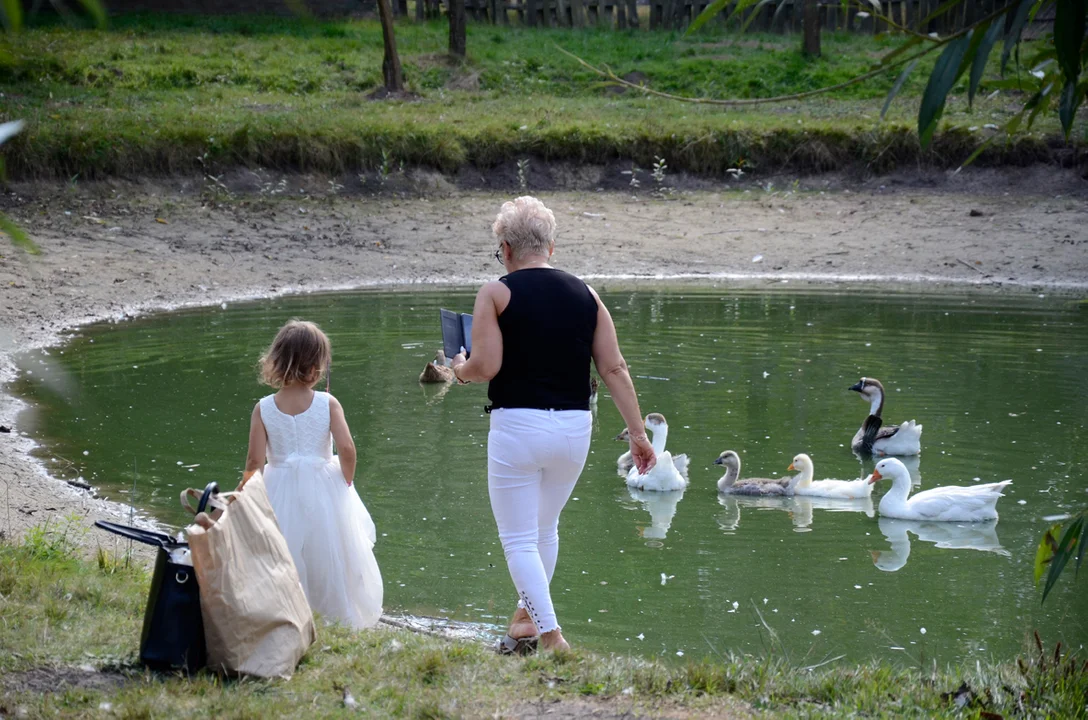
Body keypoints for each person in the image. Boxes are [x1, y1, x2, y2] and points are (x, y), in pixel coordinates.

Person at [451, 196, 656, 653]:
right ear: (551, 247)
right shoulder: (588, 295)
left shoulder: (495, 293)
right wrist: (638, 435)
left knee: (518, 539)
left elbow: (486, 365)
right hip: (574, 430)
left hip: (517, 428)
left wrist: (458, 369)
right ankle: (525, 621)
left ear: (506, 249)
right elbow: (614, 368)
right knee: (545, 530)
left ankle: (551, 636)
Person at [241, 319, 383, 629]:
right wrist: (346, 480)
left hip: (278, 486)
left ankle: (287, 611)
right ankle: (336, 614)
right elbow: (347, 448)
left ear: (276, 361)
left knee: (284, 549)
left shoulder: (263, 408)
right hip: (324, 485)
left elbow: (254, 461)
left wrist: (247, 495)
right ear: (317, 366)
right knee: (332, 550)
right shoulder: (327, 403)